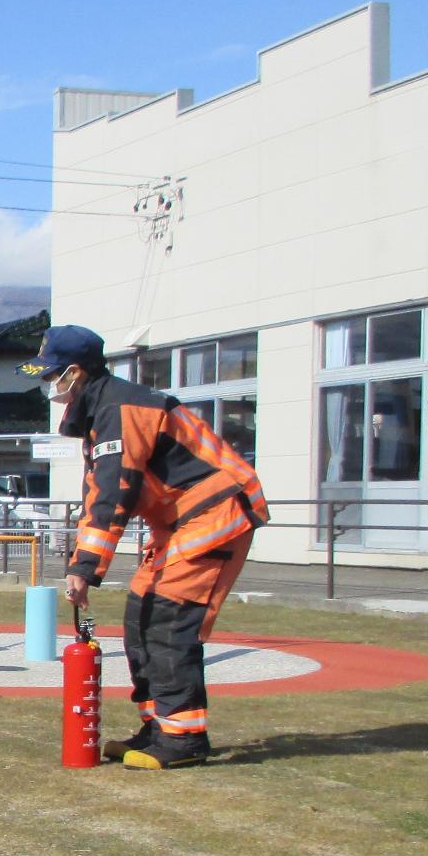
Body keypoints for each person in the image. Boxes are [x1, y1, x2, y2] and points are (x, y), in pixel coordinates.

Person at [25, 324, 269, 770]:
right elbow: (99, 494)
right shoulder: (104, 410)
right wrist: (83, 561)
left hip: (213, 515)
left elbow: (114, 492)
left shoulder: (120, 410)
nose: (48, 386)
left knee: (168, 622)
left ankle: (183, 739)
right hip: (182, 522)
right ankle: (158, 727)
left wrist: (84, 569)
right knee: (140, 616)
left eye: (51, 375)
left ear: (75, 374)